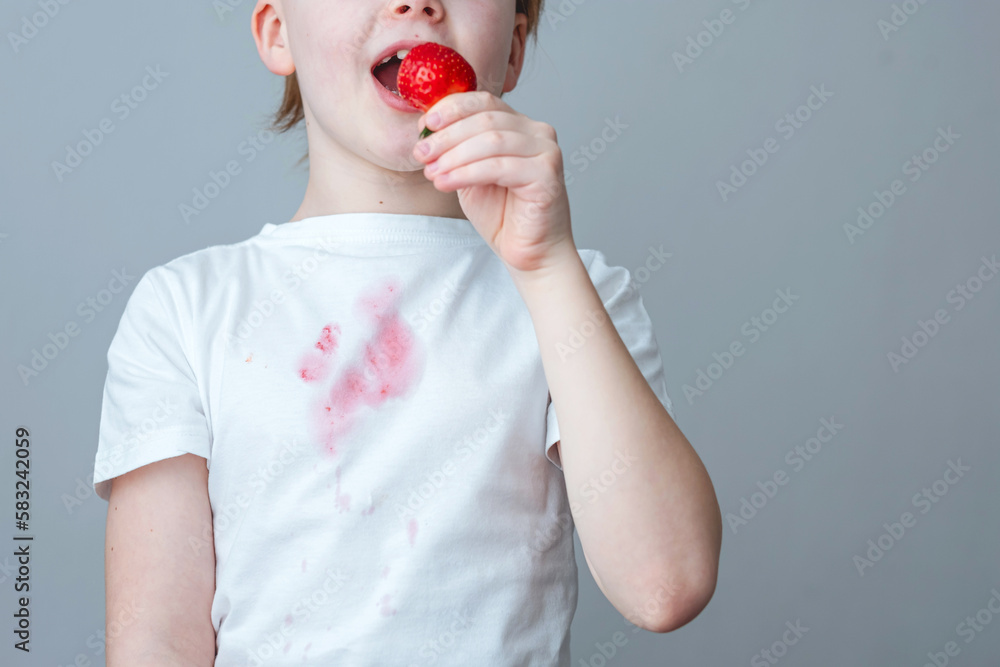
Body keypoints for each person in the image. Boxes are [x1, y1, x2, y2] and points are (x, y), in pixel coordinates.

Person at [93, 1, 722, 664]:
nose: (417, 1)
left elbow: (664, 586)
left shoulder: (574, 295)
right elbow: (155, 642)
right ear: (279, 33)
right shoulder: (187, 309)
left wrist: (546, 267)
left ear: (512, 50)